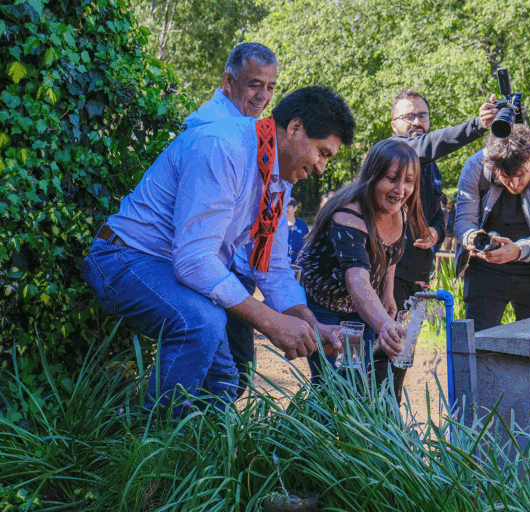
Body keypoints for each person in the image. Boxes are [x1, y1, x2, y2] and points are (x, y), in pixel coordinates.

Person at [81, 86, 355, 412]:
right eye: (322, 153)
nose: (321, 168)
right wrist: (270, 321)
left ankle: (152, 435)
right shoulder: (223, 147)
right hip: (122, 258)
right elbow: (194, 260)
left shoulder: (277, 179)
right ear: (295, 128)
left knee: (226, 380)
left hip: (169, 269)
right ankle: (154, 450)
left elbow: (272, 268)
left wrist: (310, 324)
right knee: (202, 324)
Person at [379, 88, 498, 402]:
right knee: (380, 354)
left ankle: (388, 422)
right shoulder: (392, 150)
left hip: (417, 275)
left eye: (422, 115)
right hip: (386, 276)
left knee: (403, 355)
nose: (417, 121)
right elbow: (424, 146)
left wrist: (434, 230)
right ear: (393, 124)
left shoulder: (430, 165)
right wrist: (477, 125)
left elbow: (437, 212)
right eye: (408, 116)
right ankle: (371, 423)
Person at [182, 42, 280, 398]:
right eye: (255, 84)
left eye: (270, 87)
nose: (263, 96)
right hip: (204, 267)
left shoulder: (247, 130)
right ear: (228, 80)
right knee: (226, 374)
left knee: (234, 373)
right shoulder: (215, 133)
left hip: (229, 267)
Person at [298, 139, 430, 383]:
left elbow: (390, 254)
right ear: (373, 176)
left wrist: (387, 292)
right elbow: (356, 280)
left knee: (357, 379)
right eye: (392, 178)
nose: (401, 190)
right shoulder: (348, 216)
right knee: (328, 383)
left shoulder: (399, 210)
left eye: (409, 181)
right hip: (322, 302)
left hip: (360, 307)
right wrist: (384, 325)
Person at [454, 125, 530, 332]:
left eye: (522, 174)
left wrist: (517, 250)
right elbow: (463, 221)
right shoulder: (476, 166)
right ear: (494, 167)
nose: (515, 184)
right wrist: (472, 238)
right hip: (485, 272)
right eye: (506, 177)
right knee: (479, 345)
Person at [286, 197, 309, 264]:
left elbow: (307, 241)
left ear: (295, 208)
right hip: (283, 263)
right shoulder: (280, 224)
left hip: (299, 263)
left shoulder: (301, 224)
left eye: (289, 206)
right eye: (285, 206)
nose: (286, 209)